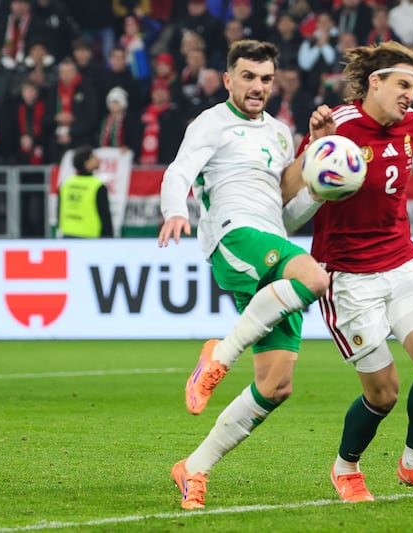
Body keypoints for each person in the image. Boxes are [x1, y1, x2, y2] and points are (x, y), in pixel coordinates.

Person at [157, 39, 330, 510]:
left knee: (276, 385)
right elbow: (179, 172)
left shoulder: (279, 132)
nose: (257, 86)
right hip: (233, 235)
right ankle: (218, 356)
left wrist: (318, 174)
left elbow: (287, 214)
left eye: (266, 79)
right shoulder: (211, 122)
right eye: (248, 77)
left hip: (271, 237)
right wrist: (174, 209)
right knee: (315, 279)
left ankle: (193, 468)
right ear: (228, 79)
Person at [299, 41, 413, 504]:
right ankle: (346, 468)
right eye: (403, 85)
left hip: (400, 263)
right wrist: (316, 147)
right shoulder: (338, 129)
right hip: (348, 277)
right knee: (384, 394)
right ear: (374, 82)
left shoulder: (410, 123)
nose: (410, 97)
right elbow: (293, 197)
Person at [57, 145, 113, 238]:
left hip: (67, 235)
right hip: (90, 237)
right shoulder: (97, 186)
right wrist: (109, 240)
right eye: (93, 157)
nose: (97, 160)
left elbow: (59, 212)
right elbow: (105, 217)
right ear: (86, 163)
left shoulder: (65, 184)